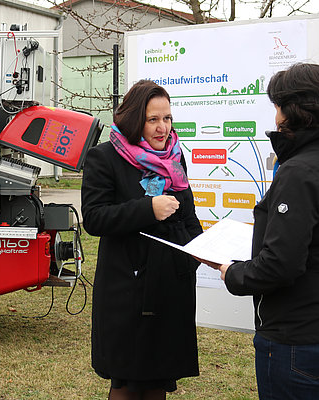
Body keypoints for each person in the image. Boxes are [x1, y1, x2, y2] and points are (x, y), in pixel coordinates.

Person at [207, 63, 319, 400]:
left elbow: (280, 266)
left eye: (277, 105)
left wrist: (231, 272)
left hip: (300, 336)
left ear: (295, 110)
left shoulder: (300, 170)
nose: (275, 115)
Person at [81, 80, 203, 400]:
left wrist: (201, 249)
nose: (163, 128)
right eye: (153, 120)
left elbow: (188, 215)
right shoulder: (104, 157)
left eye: (167, 118)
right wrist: (147, 208)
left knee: (158, 375)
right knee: (127, 378)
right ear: (136, 119)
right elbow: (94, 218)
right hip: (128, 287)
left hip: (170, 283)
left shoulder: (175, 157)